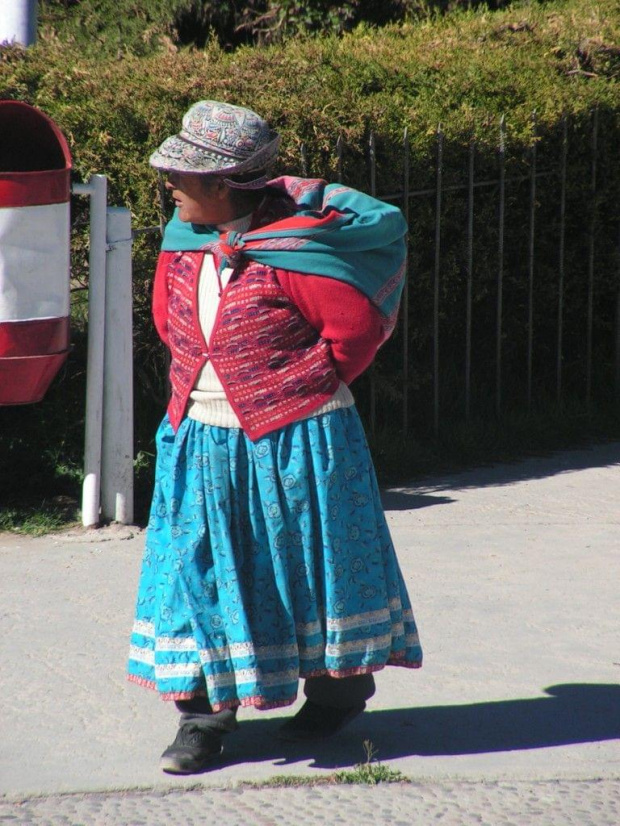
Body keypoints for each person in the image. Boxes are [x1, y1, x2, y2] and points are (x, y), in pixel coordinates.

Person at [127, 100, 422, 775]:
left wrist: (292, 390)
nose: (169, 185)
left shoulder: (299, 248)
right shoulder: (182, 243)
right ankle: (202, 719)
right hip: (199, 438)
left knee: (309, 575)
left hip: (298, 441)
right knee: (193, 578)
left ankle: (337, 693)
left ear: (224, 184)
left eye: (181, 175)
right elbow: (171, 329)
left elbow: (353, 333)